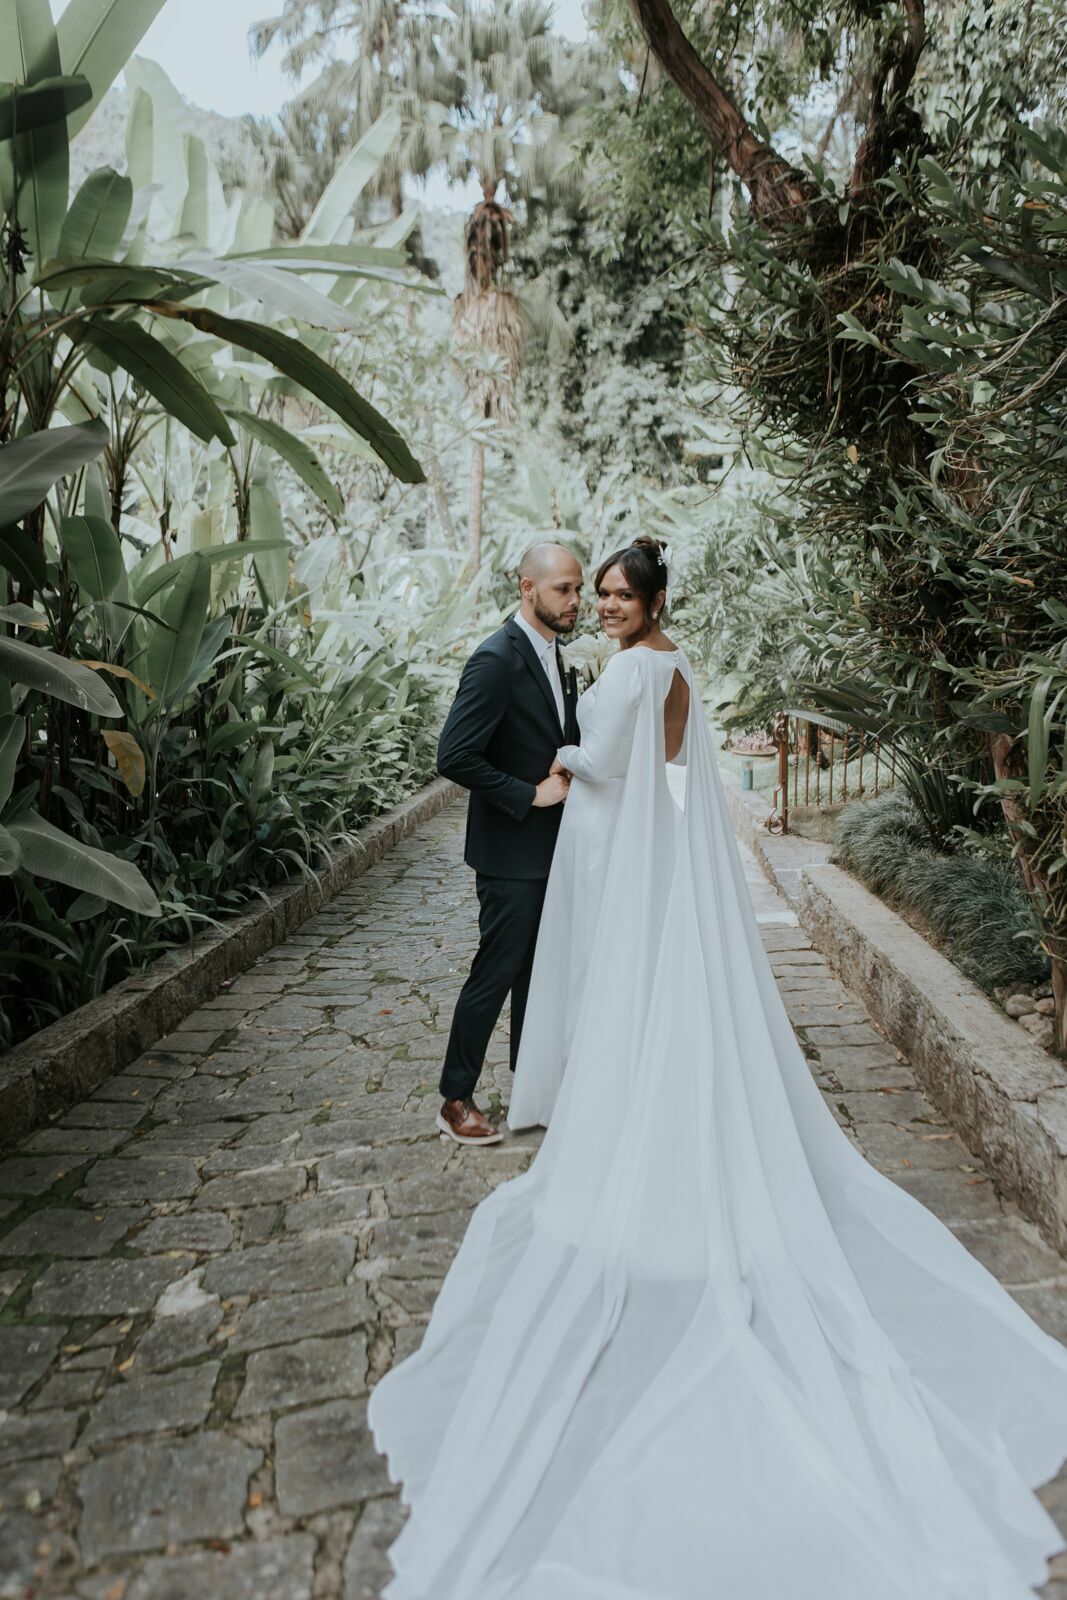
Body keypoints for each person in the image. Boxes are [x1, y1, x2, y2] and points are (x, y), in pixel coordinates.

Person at [370, 536, 1067, 1600]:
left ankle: (613, 1139)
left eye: (615, 593)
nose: (601, 605)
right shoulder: (678, 669)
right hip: (632, 868)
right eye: (590, 591)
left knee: (616, 1012)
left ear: (649, 602)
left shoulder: (636, 672)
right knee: (626, 1004)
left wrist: (562, 783)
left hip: (603, 858)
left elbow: (599, 770)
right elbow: (685, 798)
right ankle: (529, 1094)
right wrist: (667, 873)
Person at [433, 542, 583, 1147]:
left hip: (553, 849)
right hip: (510, 852)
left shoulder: (558, 655)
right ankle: (453, 1099)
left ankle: (531, 1083)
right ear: (528, 589)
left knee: (538, 973)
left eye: (577, 589)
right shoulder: (495, 659)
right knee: (495, 972)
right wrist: (529, 794)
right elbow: (454, 755)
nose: (575, 601)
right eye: (563, 590)